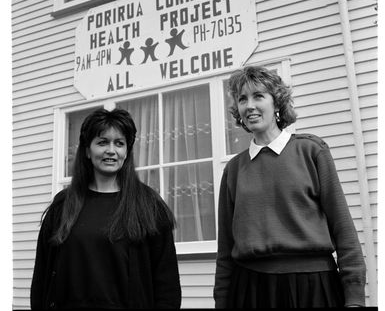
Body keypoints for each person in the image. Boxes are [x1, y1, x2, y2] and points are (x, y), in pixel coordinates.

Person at [214, 66, 366, 308]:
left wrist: (355, 297)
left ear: (277, 104)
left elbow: (343, 229)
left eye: (258, 96)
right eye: (243, 99)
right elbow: (225, 249)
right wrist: (221, 301)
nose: (249, 105)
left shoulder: (312, 151)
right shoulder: (233, 170)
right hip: (250, 291)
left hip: (313, 287)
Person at [30, 108, 181, 309]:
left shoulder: (148, 205)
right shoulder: (62, 206)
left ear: (127, 152)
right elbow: (41, 278)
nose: (111, 150)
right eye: (102, 142)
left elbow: (167, 286)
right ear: (87, 150)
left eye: (119, 143)